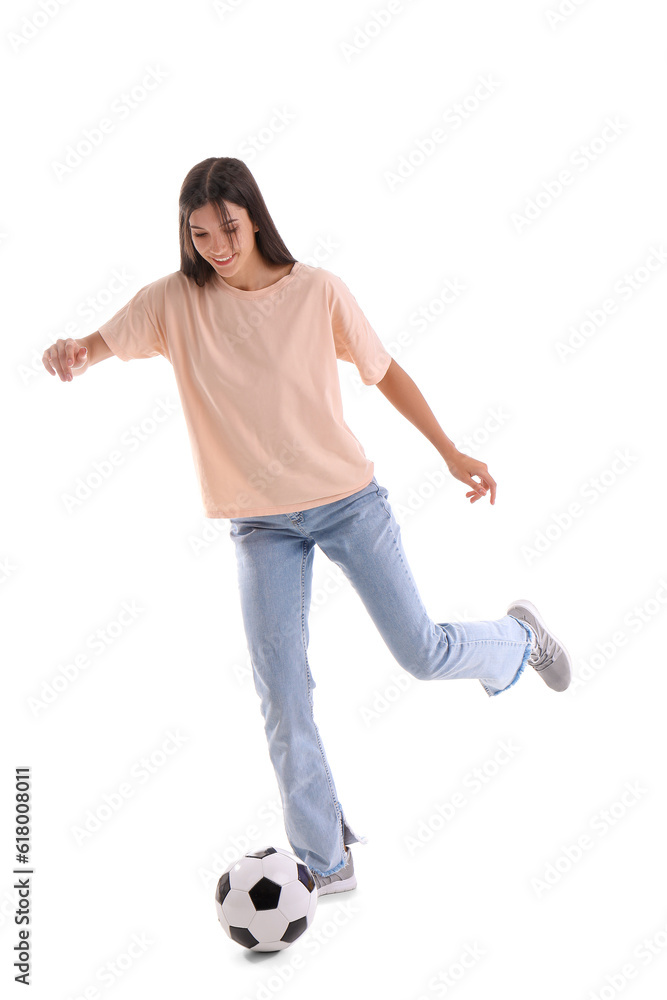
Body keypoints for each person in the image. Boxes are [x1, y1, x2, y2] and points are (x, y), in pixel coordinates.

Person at [42, 156, 572, 896]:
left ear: (254, 217)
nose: (217, 246)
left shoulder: (317, 290)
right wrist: (72, 353)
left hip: (347, 501)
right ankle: (326, 861)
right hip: (259, 526)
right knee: (281, 692)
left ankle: (519, 638)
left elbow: (383, 369)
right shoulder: (171, 302)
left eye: (227, 227)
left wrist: (449, 451)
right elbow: (97, 346)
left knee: (419, 652)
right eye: (200, 234)